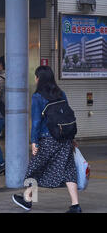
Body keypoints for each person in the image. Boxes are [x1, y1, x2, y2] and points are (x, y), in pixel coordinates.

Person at [12, 66, 80, 213]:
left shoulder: (38, 97)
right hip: (64, 138)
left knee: (35, 169)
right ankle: (75, 205)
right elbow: (67, 116)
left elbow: (36, 122)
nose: (35, 79)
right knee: (68, 169)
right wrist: (71, 138)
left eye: (36, 77)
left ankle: (28, 200)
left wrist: (34, 141)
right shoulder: (61, 93)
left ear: (39, 79)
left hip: (47, 138)